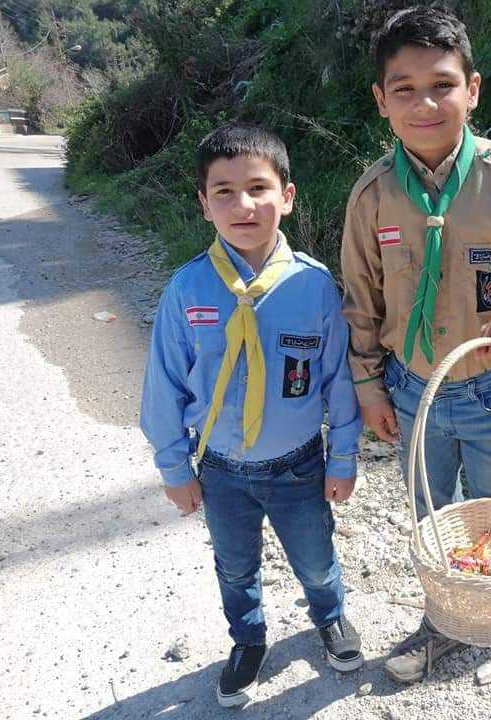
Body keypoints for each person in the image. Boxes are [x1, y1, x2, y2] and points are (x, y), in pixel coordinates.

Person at [339, 6, 491, 720]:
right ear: (381, 101)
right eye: (404, 89)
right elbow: (360, 298)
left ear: (472, 89)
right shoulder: (372, 196)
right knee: (434, 523)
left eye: (442, 85)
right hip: (413, 389)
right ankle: (443, 624)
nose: (425, 103)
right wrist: (368, 385)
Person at [140, 123, 364, 708]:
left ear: (286, 197)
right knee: (235, 568)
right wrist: (175, 468)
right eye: (224, 191)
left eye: (258, 188)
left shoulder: (314, 286)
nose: (243, 205)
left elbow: (338, 380)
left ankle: (330, 616)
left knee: (315, 558)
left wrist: (343, 457)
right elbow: (163, 386)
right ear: (204, 204)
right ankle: (248, 640)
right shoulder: (187, 290)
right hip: (220, 469)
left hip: (298, 465)